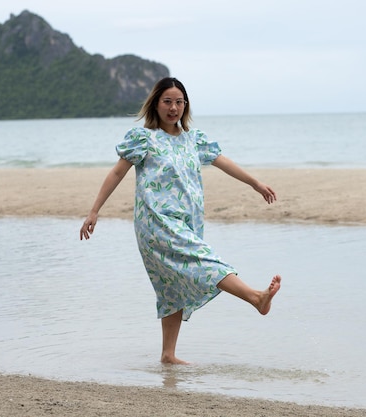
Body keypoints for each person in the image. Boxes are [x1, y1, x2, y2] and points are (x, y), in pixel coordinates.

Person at [80, 77, 281, 364]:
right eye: (167, 102)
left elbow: (224, 162)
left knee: (170, 286)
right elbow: (116, 174)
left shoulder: (194, 139)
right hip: (156, 221)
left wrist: (255, 183)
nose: (173, 108)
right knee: (204, 260)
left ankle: (168, 355)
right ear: (156, 104)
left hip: (188, 222)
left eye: (179, 102)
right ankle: (255, 298)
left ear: (185, 105)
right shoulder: (144, 139)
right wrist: (94, 210)